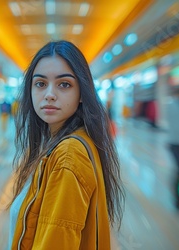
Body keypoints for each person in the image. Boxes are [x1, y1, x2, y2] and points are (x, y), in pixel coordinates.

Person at [8, 40, 124, 250]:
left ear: (82, 93)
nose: (49, 94)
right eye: (40, 84)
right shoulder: (70, 142)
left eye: (64, 84)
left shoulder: (69, 155)